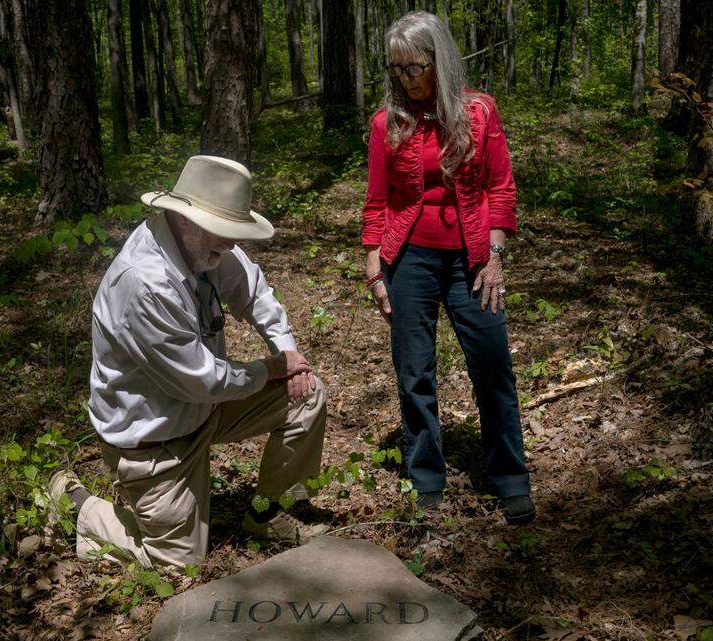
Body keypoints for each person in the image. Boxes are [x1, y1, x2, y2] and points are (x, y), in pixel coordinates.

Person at [49, 155, 330, 568]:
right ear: (183, 219)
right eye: (223, 233)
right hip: (157, 441)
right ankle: (80, 507)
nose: (231, 244)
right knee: (178, 562)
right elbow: (202, 380)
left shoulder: (203, 246)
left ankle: (269, 512)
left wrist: (285, 352)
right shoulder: (146, 284)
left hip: (203, 409)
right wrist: (270, 369)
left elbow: (253, 290)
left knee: (305, 394)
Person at [362, 11, 535, 524]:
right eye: (396, 70)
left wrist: (496, 257)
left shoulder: (480, 112)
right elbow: (377, 203)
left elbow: (501, 188)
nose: (405, 79)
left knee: (493, 366)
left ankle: (509, 478)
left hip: (473, 257)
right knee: (414, 371)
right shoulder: (385, 123)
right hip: (408, 257)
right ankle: (427, 480)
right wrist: (375, 267)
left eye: (413, 67)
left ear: (439, 60)